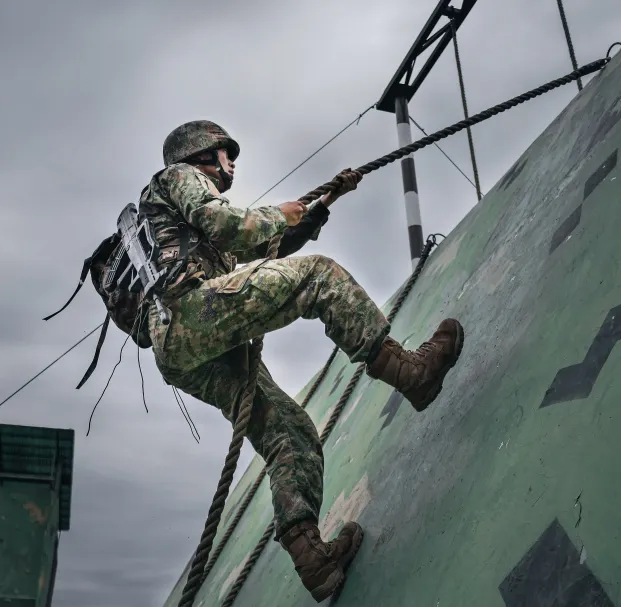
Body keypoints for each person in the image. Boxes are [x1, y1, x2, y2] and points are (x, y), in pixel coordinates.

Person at [142, 120, 464, 602]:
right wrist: (281, 213)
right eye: (227, 154)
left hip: (179, 348)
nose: (232, 164)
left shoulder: (173, 221)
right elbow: (231, 226)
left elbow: (261, 247)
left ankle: (315, 560)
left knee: (287, 430)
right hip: (191, 312)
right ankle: (412, 374)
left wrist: (319, 207)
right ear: (204, 153)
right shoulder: (180, 179)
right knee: (318, 277)